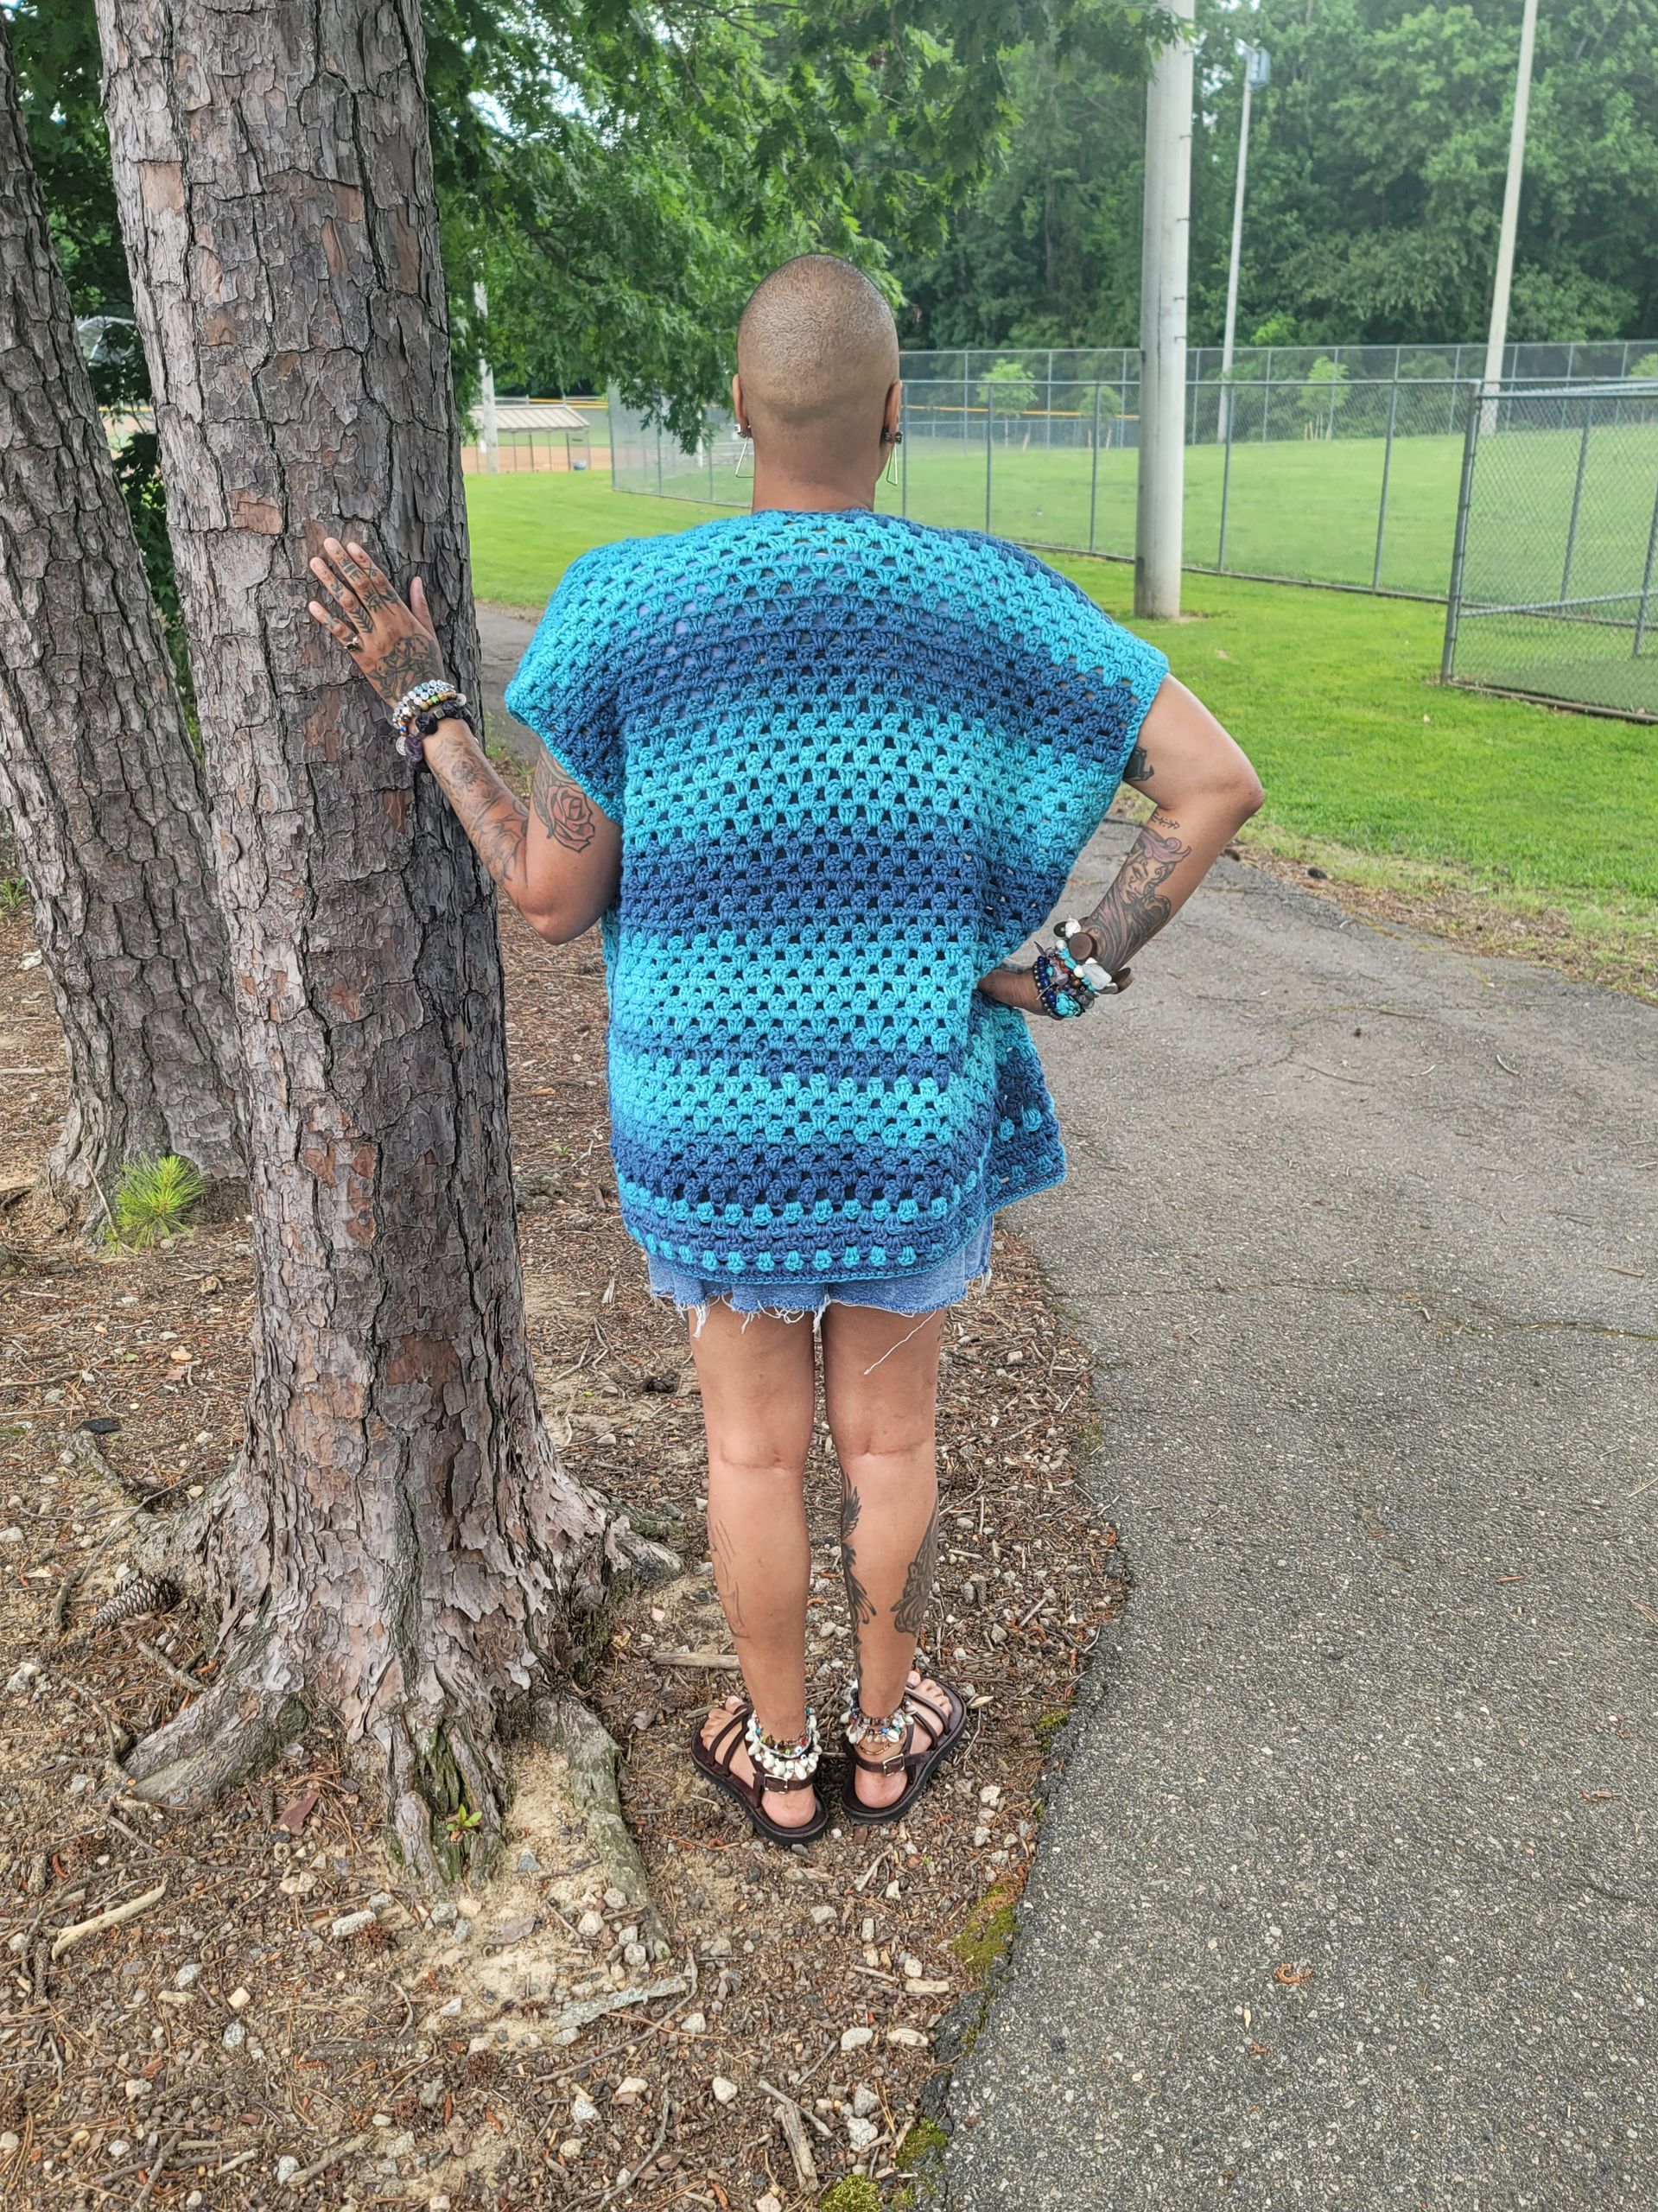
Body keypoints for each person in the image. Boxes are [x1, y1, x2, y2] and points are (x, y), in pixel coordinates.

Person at [307, 254, 1262, 1847]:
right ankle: (885, 1741)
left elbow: (548, 896)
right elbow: (1215, 781)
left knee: (751, 1455)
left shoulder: (627, 603)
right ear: (894, 414)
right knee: (892, 1440)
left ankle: (779, 1755)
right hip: (907, 1116)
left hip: (709, 1124)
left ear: (740, 407)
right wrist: (1066, 973)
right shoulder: (996, 602)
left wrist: (430, 709)